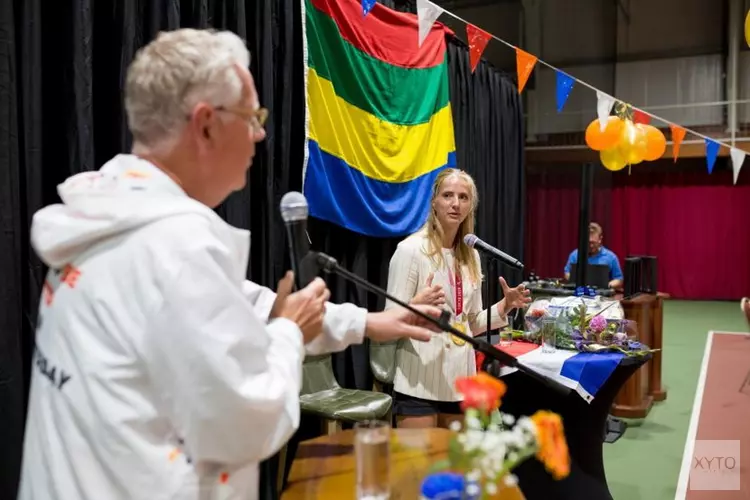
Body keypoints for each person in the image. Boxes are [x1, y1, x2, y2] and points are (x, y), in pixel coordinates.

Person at [18, 29, 441, 500]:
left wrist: (369, 321)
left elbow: (243, 305)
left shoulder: (109, 215)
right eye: (252, 116)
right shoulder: (175, 244)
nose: (260, 133)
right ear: (206, 124)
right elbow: (248, 421)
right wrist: (288, 335)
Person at [384, 168, 531, 429]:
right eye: (448, 195)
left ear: (470, 207)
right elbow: (387, 325)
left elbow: (470, 324)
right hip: (419, 382)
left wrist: (504, 306)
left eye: (463, 197)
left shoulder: (471, 256)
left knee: (454, 468)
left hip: (460, 382)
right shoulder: (410, 251)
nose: (455, 203)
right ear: (434, 203)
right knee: (417, 469)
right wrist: (415, 306)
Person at [563, 222, 623, 289]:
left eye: (593, 243)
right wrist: (574, 281)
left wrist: (607, 286)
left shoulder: (611, 257)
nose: (591, 246)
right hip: (579, 294)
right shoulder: (575, 255)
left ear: (600, 239)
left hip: (602, 296)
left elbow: (619, 279)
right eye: (588, 243)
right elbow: (567, 273)